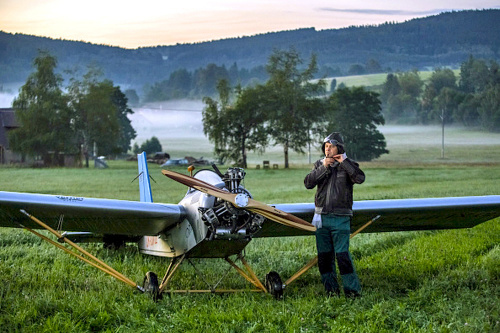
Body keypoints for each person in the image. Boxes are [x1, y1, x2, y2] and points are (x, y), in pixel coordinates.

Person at [304, 132, 365, 298]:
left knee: (342, 256)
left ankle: (352, 292)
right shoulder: (319, 164)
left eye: (331, 146)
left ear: (340, 147)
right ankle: (331, 291)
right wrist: (324, 167)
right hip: (321, 217)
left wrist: (343, 162)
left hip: (341, 217)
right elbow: (308, 183)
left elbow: (359, 178)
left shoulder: (349, 164)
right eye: (326, 146)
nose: (328, 150)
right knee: (324, 256)